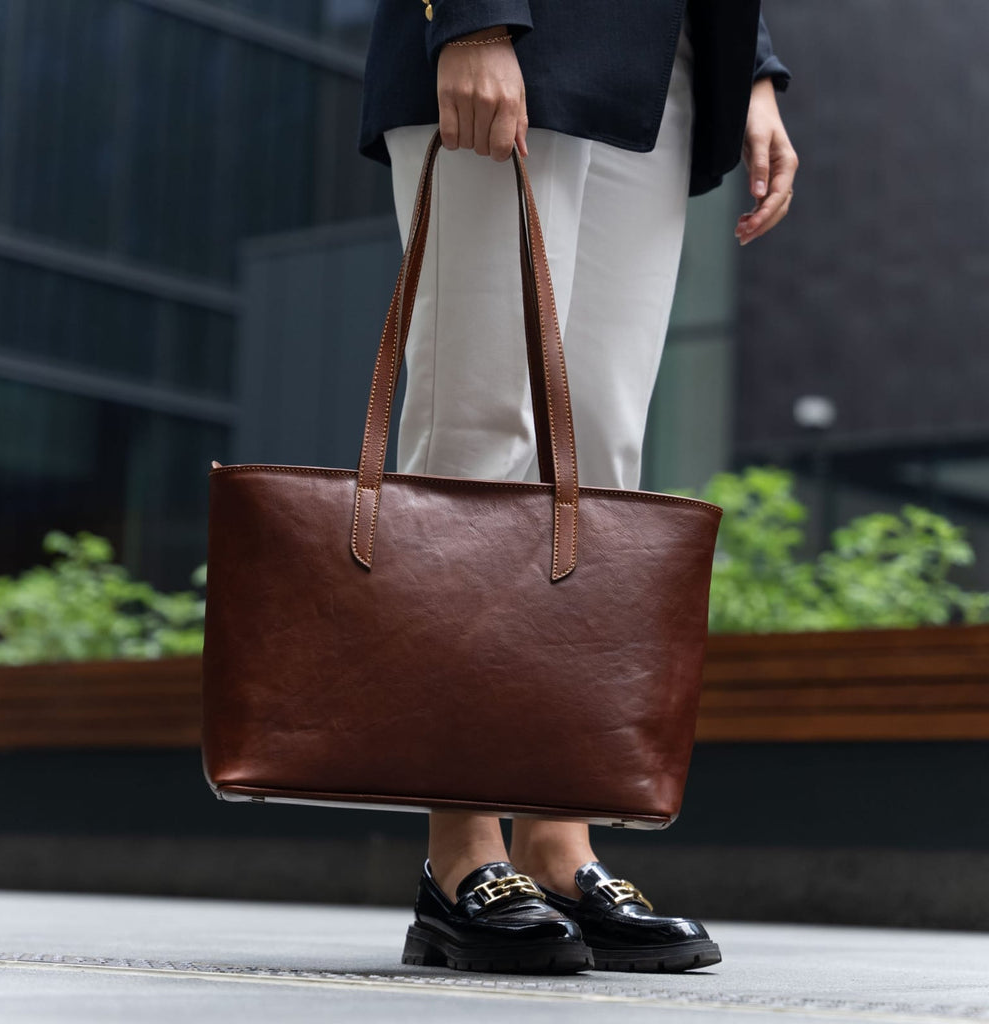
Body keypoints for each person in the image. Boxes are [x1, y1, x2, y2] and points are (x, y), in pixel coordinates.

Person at [359, 0, 797, 974]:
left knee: (597, 468)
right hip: (517, 28)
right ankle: (460, 853)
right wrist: (471, 17)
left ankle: (559, 846)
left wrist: (752, 69)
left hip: (664, 57)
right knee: (477, 438)